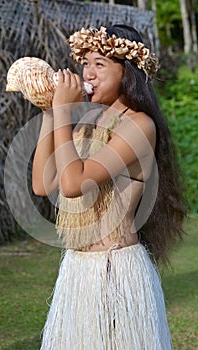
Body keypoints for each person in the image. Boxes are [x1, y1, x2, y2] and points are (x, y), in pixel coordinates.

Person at [32, 24, 186, 350]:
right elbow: (43, 184)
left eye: (100, 64)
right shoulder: (89, 125)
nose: (89, 72)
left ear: (127, 72)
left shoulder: (139, 126)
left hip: (116, 270)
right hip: (78, 270)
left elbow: (74, 183)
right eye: (85, 63)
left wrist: (63, 112)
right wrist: (49, 113)